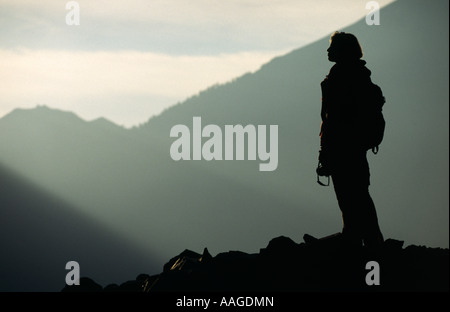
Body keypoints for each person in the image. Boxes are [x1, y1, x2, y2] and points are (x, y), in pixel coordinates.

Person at [317, 31, 384, 248]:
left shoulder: (343, 77)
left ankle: (362, 242)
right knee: (356, 195)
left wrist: (327, 150)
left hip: (345, 148)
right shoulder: (354, 75)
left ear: (342, 51)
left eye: (332, 47)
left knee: (352, 195)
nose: (328, 51)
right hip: (351, 147)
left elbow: (334, 119)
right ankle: (363, 240)